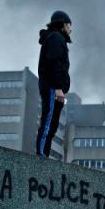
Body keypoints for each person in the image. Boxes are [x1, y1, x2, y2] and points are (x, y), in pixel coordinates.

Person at [36, 10, 73, 157]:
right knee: (48, 122)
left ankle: (43, 155)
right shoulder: (56, 38)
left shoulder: (57, 39)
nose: (71, 29)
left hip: (56, 90)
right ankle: (40, 155)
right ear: (63, 24)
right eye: (70, 25)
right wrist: (58, 88)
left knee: (52, 125)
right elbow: (54, 63)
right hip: (52, 88)